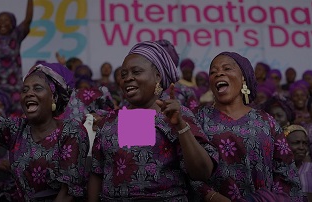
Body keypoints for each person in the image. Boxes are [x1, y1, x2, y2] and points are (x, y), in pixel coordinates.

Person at [0, 53, 89, 201]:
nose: (29, 93)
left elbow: (68, 192)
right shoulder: (16, 129)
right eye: (25, 90)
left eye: (37, 88)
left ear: (54, 97)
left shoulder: (71, 132)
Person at [88, 40, 217, 201]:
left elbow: (202, 173)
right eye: (123, 74)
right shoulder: (110, 120)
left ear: (157, 76)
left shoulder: (178, 115)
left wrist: (180, 126)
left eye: (136, 72)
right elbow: (97, 173)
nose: (128, 78)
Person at [191, 52, 302, 201]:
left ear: (243, 77)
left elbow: (286, 173)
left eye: (227, 68)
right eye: (213, 72)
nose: (219, 74)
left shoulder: (267, 122)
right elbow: (184, 168)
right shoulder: (196, 118)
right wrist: (212, 196)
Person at [284, 125, 312, 202]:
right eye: (296, 143)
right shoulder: (275, 171)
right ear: (284, 144)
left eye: (305, 143)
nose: (302, 147)